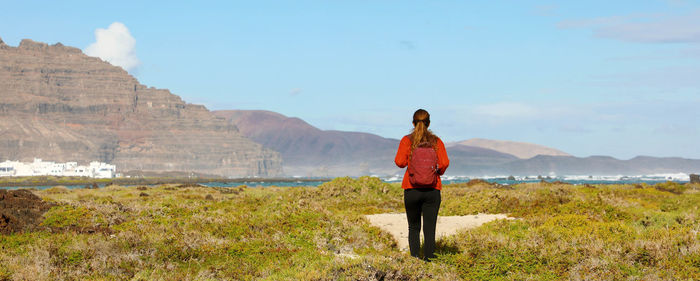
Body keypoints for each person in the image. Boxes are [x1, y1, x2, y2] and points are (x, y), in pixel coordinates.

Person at [394, 109, 449, 261]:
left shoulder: (407, 140)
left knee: (413, 227)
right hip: (432, 189)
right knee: (429, 229)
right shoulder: (436, 141)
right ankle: (429, 261)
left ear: (413, 122)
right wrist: (436, 173)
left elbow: (399, 162)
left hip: (411, 189)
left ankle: (414, 260)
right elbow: (444, 163)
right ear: (429, 123)